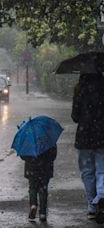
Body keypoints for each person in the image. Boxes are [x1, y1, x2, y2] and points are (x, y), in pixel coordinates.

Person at [71, 72, 104, 223]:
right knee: (102, 170)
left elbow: (75, 117)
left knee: (87, 172)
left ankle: (92, 206)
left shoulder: (80, 90)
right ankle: (102, 197)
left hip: (84, 138)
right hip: (102, 136)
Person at [20, 147, 57, 222]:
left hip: (31, 168)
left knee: (32, 188)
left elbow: (23, 156)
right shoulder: (48, 138)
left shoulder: (28, 139)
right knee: (43, 189)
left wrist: (30, 158)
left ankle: (33, 205)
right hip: (45, 168)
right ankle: (42, 213)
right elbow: (53, 155)